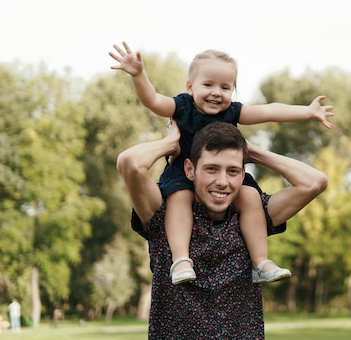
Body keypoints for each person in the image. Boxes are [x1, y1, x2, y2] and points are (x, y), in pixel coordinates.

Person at [110, 41, 333, 285]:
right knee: (179, 198)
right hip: (181, 178)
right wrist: (139, 75)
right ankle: (181, 259)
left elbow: (269, 111)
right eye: (208, 85)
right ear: (190, 87)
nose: (217, 92)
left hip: (214, 184)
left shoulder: (233, 112)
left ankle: (260, 262)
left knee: (250, 196)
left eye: (226, 87)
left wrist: (307, 111)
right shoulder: (182, 107)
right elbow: (152, 100)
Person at [117, 121, 327, 339]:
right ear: (190, 169)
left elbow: (314, 182)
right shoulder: (166, 213)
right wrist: (171, 143)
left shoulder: (252, 215)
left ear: (243, 173)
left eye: (233, 171)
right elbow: (129, 162)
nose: (222, 182)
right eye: (212, 169)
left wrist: (253, 151)